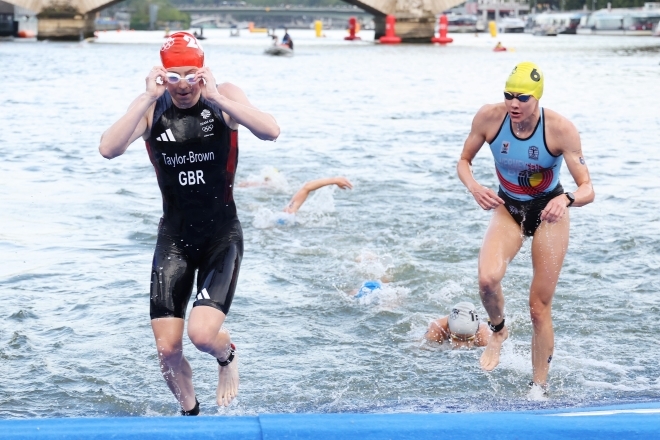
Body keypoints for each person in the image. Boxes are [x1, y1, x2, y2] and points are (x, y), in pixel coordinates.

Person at [98, 31, 280, 413]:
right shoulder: (151, 106)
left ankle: (226, 356)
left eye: (191, 74)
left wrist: (216, 97)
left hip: (221, 235)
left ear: (203, 71)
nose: (184, 85)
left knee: (200, 335)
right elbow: (109, 149)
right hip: (175, 238)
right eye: (174, 76)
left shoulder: (223, 95)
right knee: (167, 350)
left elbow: (270, 131)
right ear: (161, 75)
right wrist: (148, 97)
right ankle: (191, 415)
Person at [456, 62, 594, 390]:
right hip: (509, 208)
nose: (514, 104)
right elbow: (464, 161)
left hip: (549, 211)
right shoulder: (489, 118)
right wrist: (475, 186)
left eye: (523, 98)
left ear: (537, 98)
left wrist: (568, 200)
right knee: (487, 280)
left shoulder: (560, 129)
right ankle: (499, 330)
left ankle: (538, 387)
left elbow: (588, 187)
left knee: (537, 307)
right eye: (509, 96)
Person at [425, 302, 491, 349]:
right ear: (448, 330)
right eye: (457, 338)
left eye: (469, 339)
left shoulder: (485, 337)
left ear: (477, 332)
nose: (462, 346)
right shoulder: (436, 331)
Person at [282, 176, 352, 214]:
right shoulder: (286, 215)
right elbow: (306, 188)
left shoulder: (285, 216)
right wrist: (334, 180)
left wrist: (334, 180)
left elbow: (306, 188)